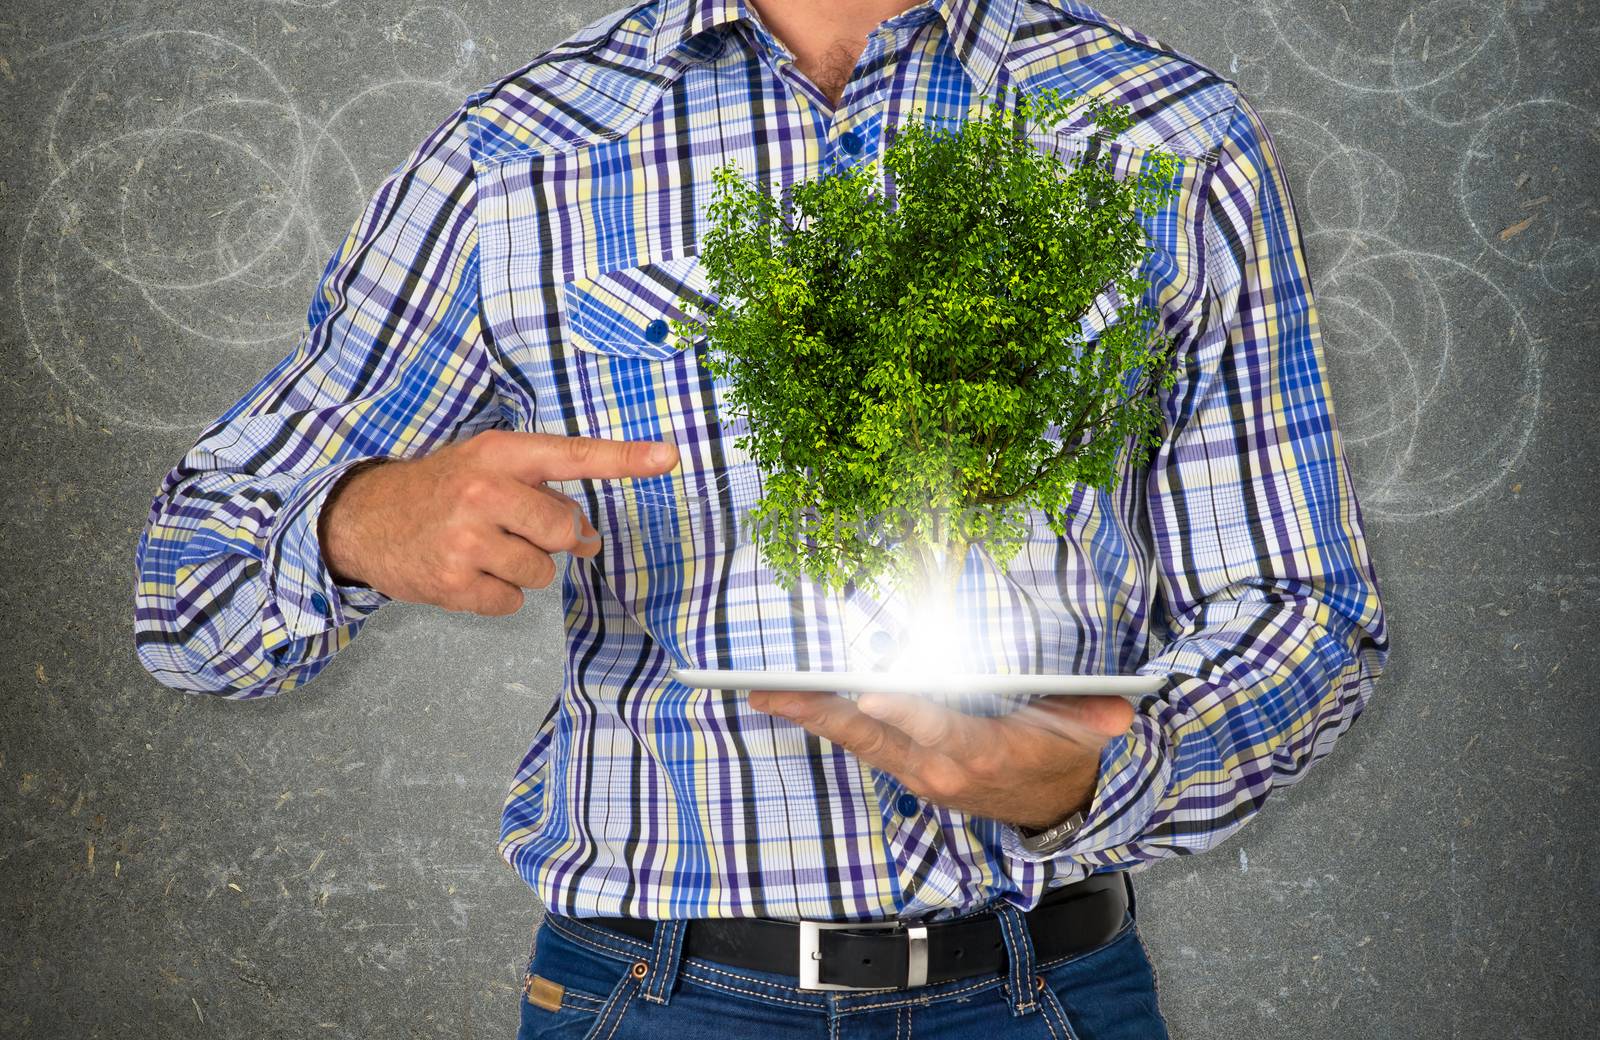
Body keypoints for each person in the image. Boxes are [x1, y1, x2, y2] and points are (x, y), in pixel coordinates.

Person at [133, 1, 1391, 1036]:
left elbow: (1304, 609)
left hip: (1043, 988)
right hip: (661, 995)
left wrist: (1106, 763)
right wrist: (355, 521)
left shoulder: (1166, 133)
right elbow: (191, 592)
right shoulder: (517, 158)